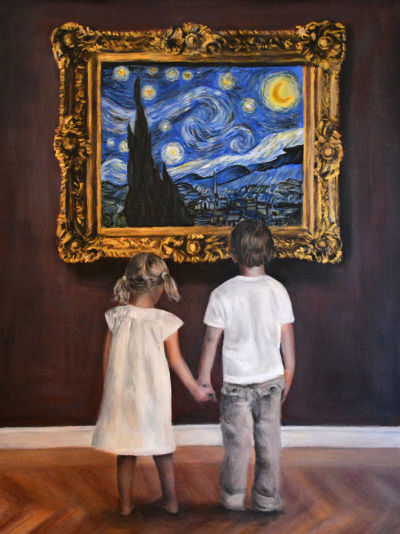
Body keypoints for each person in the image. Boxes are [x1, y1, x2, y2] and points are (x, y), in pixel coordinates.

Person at [92, 252, 211, 516]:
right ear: (161, 287)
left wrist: (108, 393)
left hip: (121, 396)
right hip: (154, 397)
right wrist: (195, 389)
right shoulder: (165, 321)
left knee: (125, 450)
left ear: (130, 283)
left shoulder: (116, 317)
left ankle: (125, 505)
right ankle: (170, 501)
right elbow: (176, 362)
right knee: (162, 448)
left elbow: (106, 360)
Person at [197, 219, 295, 513]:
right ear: (270, 252)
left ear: (232, 253)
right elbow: (287, 339)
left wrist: (203, 378)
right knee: (269, 447)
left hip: (236, 385)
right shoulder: (278, 290)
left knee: (236, 448)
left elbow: (210, 340)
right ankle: (266, 499)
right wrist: (288, 373)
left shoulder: (222, 293)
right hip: (272, 381)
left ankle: (232, 498)